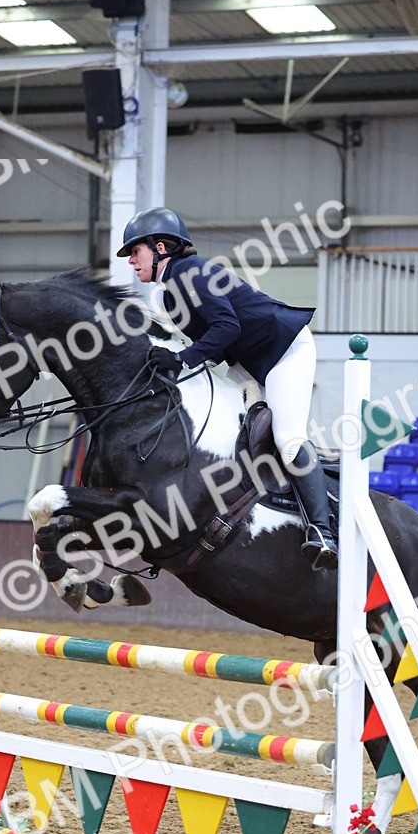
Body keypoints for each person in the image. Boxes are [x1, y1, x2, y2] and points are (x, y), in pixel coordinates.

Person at [117, 206, 337, 570]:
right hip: (248, 362)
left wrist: (182, 359)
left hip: (285, 350)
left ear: (160, 248)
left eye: (134, 252)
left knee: (288, 439)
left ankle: (322, 531)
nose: (131, 262)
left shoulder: (189, 272)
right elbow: (215, 348)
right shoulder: (172, 293)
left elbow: (226, 327)